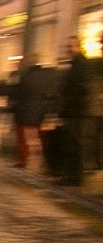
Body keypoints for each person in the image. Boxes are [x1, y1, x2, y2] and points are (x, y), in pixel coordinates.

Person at [58, 39, 93, 186]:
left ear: (78, 47)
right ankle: (70, 175)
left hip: (77, 111)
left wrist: (71, 101)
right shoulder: (75, 65)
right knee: (71, 143)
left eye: (71, 46)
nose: (68, 49)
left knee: (75, 143)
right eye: (67, 46)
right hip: (72, 110)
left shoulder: (81, 65)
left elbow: (83, 89)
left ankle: (75, 177)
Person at [12, 63, 50, 170]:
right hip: (40, 110)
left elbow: (17, 93)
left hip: (24, 110)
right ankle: (44, 158)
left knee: (22, 136)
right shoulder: (45, 77)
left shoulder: (25, 77)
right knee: (41, 135)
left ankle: (23, 160)